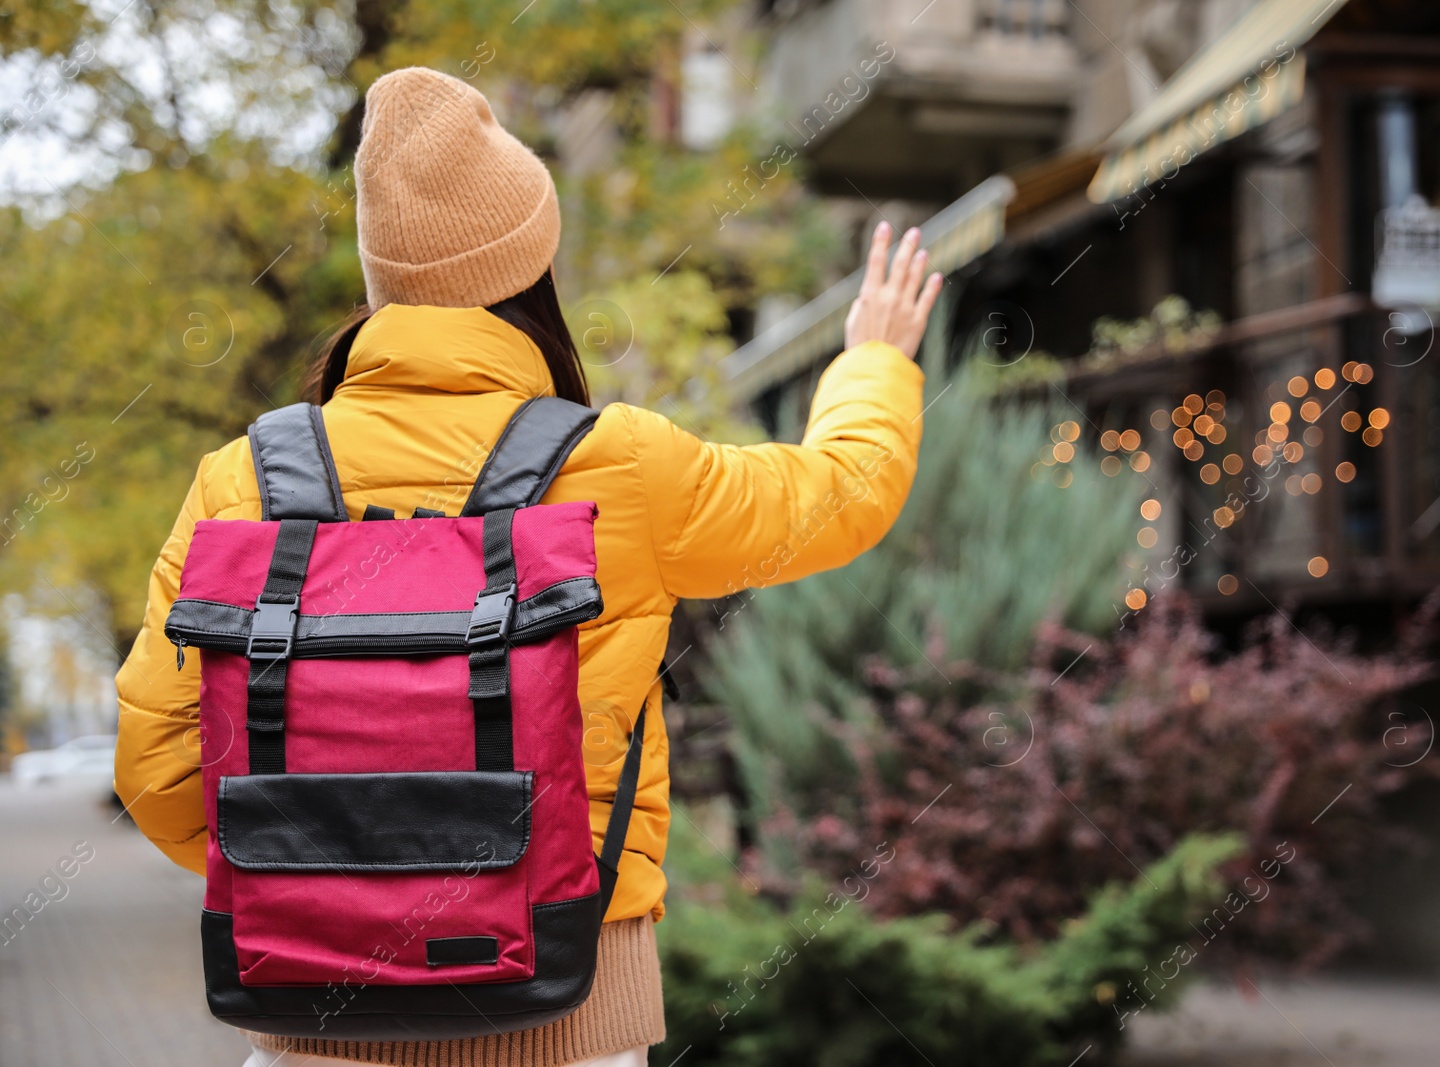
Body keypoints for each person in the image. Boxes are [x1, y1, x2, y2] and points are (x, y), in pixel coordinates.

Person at [113, 67, 941, 1067]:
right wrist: (873, 361)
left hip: (312, 1014)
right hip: (568, 1013)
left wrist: (328, 886)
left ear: (380, 280)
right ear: (533, 267)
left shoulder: (241, 480)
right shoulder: (619, 466)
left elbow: (158, 774)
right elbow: (839, 496)